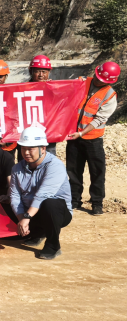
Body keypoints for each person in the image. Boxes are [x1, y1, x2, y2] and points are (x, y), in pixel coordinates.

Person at [9, 126, 73, 260]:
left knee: (50, 204)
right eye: (23, 148)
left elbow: (42, 195)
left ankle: (53, 246)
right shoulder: (17, 168)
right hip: (30, 212)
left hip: (55, 213)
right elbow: (15, 195)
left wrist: (26, 218)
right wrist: (21, 219)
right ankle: (37, 233)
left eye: (30, 149)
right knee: (4, 205)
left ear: (43, 148)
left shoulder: (55, 165)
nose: (26, 153)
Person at [66, 62, 120, 215]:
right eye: (97, 77)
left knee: (97, 172)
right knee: (73, 171)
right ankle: (74, 200)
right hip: (74, 136)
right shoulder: (82, 81)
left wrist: (82, 133)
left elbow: (99, 119)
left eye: (102, 80)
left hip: (93, 139)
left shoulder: (110, 95)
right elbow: (63, 90)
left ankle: (97, 203)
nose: (97, 80)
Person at [19, 55, 56, 158]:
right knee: (25, 162)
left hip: (47, 133)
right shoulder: (22, 89)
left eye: (44, 72)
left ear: (49, 72)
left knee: (48, 162)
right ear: (31, 72)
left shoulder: (54, 88)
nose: (41, 75)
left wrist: (53, 89)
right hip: (27, 133)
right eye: (37, 71)